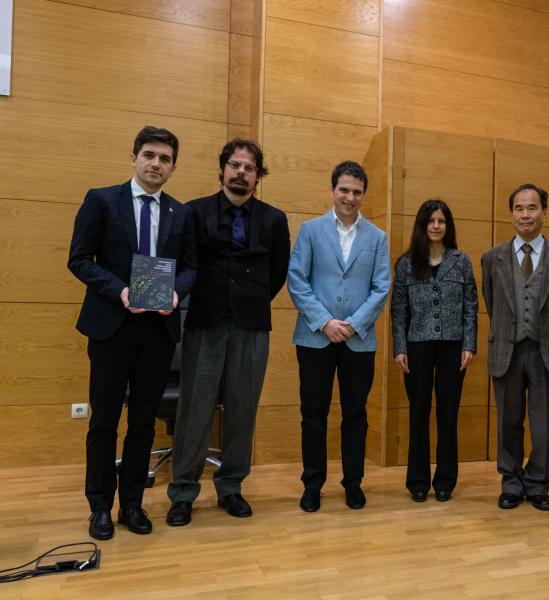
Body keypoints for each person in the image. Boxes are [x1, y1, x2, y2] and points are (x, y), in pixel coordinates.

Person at [67, 126, 196, 540]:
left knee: (143, 423)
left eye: (164, 158)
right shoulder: (102, 200)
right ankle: (100, 506)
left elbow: (192, 267)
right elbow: (80, 260)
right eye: (149, 155)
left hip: (158, 332)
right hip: (111, 328)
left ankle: (133, 504)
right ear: (134, 157)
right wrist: (120, 291)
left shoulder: (181, 213)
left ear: (173, 166)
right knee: (103, 422)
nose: (156, 163)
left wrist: (175, 294)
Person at [165, 139, 291, 526]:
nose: (241, 172)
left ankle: (231, 486)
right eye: (234, 165)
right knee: (194, 410)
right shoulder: (192, 212)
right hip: (204, 322)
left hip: (252, 326)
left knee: (242, 410)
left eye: (249, 167)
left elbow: (277, 275)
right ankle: (183, 491)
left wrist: (245, 298)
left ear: (258, 175)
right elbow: (183, 264)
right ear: (222, 169)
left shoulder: (274, 219)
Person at [288, 160, 390, 512]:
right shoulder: (311, 230)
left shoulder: (378, 238)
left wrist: (352, 324)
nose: (350, 197)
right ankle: (312, 484)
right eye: (344, 190)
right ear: (333, 190)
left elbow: (381, 288)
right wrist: (326, 321)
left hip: (358, 340)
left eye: (357, 192)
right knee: (313, 413)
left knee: (355, 414)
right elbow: (297, 281)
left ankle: (353, 483)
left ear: (364, 195)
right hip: (315, 337)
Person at [481, 183, 549, 511]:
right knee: (508, 421)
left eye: (532, 208)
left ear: (544, 212)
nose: (526, 215)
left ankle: (538, 483)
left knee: (544, 425)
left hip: (545, 349)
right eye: (519, 208)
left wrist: (541, 329)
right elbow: (492, 302)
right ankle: (511, 482)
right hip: (505, 349)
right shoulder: (492, 257)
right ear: (511, 214)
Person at [391, 199, 478, 502]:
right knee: (418, 413)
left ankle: (445, 481)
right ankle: (417, 481)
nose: (436, 226)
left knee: (447, 414)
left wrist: (469, 344)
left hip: (453, 348)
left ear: (448, 226)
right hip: (417, 346)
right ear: (422, 225)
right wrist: (399, 348)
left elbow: (471, 306)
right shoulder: (406, 264)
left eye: (442, 221)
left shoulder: (462, 261)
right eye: (431, 221)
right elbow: (398, 311)